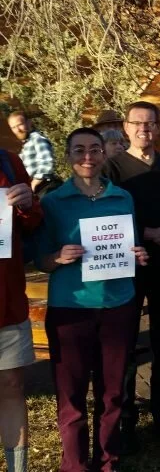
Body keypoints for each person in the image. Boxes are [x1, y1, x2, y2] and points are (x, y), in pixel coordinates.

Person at [35, 128, 149, 471]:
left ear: (104, 154)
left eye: (95, 149)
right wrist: (58, 257)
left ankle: (108, 461)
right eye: (80, 150)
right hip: (70, 308)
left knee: (112, 392)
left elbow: (130, 244)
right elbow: (39, 259)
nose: (88, 156)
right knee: (70, 395)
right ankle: (74, 464)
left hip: (118, 304)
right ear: (68, 155)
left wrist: (139, 254)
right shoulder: (53, 202)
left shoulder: (123, 198)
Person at [103, 101, 160, 444]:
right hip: (128, 268)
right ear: (126, 128)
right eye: (137, 123)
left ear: (158, 128)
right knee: (124, 345)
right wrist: (149, 233)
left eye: (150, 123)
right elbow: (108, 219)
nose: (144, 129)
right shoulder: (112, 169)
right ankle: (125, 419)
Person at [0, 148, 42, 472]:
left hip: (8, 304)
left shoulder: (8, 162)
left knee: (13, 386)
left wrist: (28, 205)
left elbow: (32, 223)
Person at [6, 111, 59, 196]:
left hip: (46, 187)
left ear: (29, 123)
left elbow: (47, 161)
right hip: (37, 190)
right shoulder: (26, 145)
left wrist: (35, 182)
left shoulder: (37, 139)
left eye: (20, 124)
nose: (17, 130)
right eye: (13, 127)